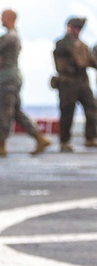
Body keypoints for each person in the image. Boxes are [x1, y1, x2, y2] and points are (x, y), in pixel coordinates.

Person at [0, 9, 51, 157]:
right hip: (10, 79)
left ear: (10, 18)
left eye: (3, 17)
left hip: (7, 80)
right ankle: (39, 138)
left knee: (4, 111)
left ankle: (1, 144)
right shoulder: (13, 36)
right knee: (15, 111)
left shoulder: (10, 37)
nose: (1, 19)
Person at [52, 16, 97, 151]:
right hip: (68, 82)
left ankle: (90, 138)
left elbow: (93, 62)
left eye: (79, 29)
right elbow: (63, 60)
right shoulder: (62, 43)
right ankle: (65, 141)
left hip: (82, 82)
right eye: (76, 28)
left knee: (92, 108)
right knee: (67, 112)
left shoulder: (82, 45)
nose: (77, 31)